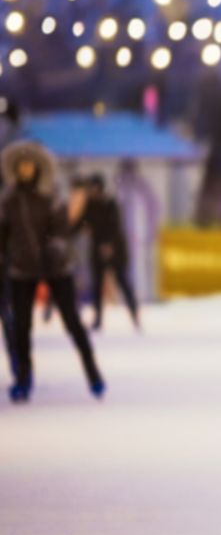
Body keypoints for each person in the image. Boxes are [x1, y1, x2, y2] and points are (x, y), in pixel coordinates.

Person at [0, 141, 105, 401]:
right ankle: (23, 378)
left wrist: (53, 249)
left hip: (56, 267)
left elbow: (61, 229)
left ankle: (93, 374)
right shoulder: (9, 200)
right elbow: (3, 233)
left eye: (29, 165)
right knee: (21, 327)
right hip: (22, 268)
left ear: (37, 168)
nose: (25, 170)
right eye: (20, 166)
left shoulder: (50, 196)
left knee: (72, 323)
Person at [75, 173, 140, 331]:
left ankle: (134, 315)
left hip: (115, 251)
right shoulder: (90, 204)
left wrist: (109, 245)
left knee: (123, 283)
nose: (93, 191)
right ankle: (98, 319)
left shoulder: (110, 202)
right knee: (97, 286)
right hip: (97, 250)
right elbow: (80, 224)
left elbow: (115, 226)